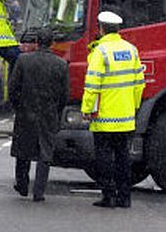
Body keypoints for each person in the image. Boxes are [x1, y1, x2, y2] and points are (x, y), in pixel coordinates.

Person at [81, 11, 145, 208]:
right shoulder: (132, 50)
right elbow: (139, 83)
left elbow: (92, 84)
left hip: (105, 118)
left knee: (104, 157)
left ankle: (108, 196)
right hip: (126, 116)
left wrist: (86, 108)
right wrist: (133, 106)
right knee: (123, 157)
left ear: (100, 29)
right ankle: (125, 197)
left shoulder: (100, 52)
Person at [8, 27, 70, 201]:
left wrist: (18, 106)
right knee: (45, 152)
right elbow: (65, 95)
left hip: (26, 110)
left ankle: (22, 184)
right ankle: (39, 191)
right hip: (48, 112)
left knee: (23, 149)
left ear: (36, 42)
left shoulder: (23, 60)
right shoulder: (61, 64)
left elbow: (13, 88)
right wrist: (56, 111)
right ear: (52, 43)